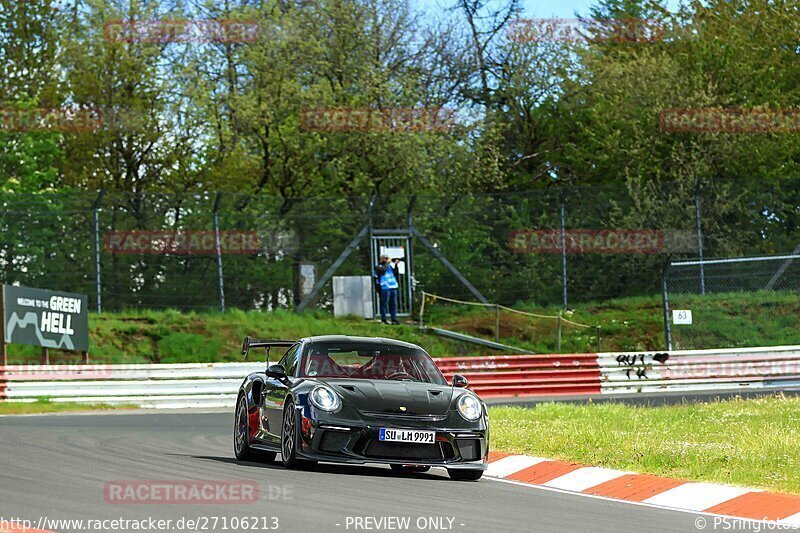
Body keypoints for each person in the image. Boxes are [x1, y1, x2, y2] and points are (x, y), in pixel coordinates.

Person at [374, 254, 400, 325]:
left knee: (393, 304)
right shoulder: (378, 267)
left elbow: (396, 273)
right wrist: (388, 263)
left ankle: (394, 319)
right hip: (385, 287)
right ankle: (383, 319)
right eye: (385, 259)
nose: (386, 260)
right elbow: (383, 270)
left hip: (393, 286)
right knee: (384, 303)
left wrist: (396, 265)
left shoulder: (390, 266)